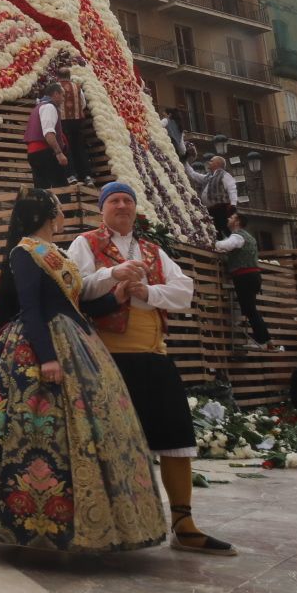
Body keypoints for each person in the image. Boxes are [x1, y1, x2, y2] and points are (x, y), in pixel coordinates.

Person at [0, 188, 167, 552]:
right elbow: (31, 308)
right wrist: (46, 356)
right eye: (59, 210)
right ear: (48, 216)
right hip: (36, 349)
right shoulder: (24, 252)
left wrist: (117, 297)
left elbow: (74, 307)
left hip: (77, 340)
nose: (63, 216)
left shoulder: (57, 254)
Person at [71, 182, 235, 555]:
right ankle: (109, 519)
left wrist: (149, 293)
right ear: (102, 210)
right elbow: (76, 288)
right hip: (106, 359)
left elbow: (183, 291)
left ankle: (183, 522)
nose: (122, 205)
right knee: (110, 441)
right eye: (114, 200)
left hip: (154, 355)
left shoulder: (154, 250)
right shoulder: (85, 243)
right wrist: (112, 275)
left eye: (128, 200)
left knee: (176, 437)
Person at [212, 211, 270, 352]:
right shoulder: (249, 237)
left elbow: (224, 246)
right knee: (250, 309)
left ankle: (263, 340)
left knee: (250, 310)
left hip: (245, 277)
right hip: (252, 276)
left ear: (237, 222)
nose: (228, 218)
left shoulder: (238, 236)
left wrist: (213, 243)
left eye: (231, 217)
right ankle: (265, 340)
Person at [23, 85, 70, 190]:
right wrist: (59, 153)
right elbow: (48, 133)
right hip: (45, 152)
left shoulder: (37, 108)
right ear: (55, 94)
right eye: (63, 95)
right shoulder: (49, 107)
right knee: (61, 187)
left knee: (41, 188)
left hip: (33, 153)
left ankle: (42, 206)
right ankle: (63, 207)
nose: (63, 99)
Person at [55, 69, 94, 185]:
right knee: (79, 147)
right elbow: (83, 104)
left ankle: (71, 175)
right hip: (77, 121)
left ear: (58, 76)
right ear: (69, 76)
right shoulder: (77, 87)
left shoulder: (55, 87)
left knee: (66, 148)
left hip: (62, 122)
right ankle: (86, 175)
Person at [187, 155, 238, 237]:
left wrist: (233, 204)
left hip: (221, 209)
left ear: (217, 163)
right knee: (215, 231)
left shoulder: (224, 175)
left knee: (224, 230)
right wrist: (185, 162)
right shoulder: (209, 177)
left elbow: (232, 188)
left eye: (211, 161)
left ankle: (229, 245)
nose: (209, 163)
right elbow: (194, 175)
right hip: (211, 210)